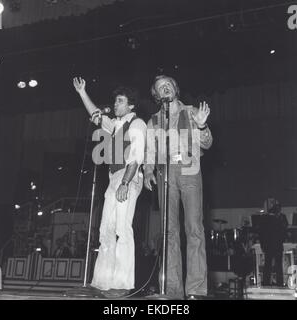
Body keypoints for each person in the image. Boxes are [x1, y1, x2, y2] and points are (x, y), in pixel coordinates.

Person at [73, 77, 146, 298]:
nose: (115, 105)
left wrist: (125, 182)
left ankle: (123, 284)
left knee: (122, 229)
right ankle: (102, 282)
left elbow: (137, 156)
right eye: (115, 101)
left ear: (131, 105)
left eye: (120, 101)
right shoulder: (115, 125)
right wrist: (82, 92)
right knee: (106, 230)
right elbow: (96, 114)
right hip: (114, 177)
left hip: (129, 177)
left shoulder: (137, 123)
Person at [144, 75, 213, 300]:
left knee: (194, 228)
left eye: (168, 84)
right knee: (169, 232)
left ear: (175, 88)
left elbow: (207, 143)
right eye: (160, 87)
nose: (165, 88)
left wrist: (202, 125)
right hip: (165, 173)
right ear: (156, 95)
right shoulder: (153, 121)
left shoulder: (192, 111)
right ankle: (172, 290)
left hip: (189, 169)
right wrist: (147, 170)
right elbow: (149, 152)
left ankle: (196, 290)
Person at [259, 201, 288, 287]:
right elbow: (284, 229)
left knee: (268, 265)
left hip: (269, 245)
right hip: (277, 244)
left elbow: (261, 233)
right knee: (278, 265)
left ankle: (266, 283)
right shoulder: (280, 218)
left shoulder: (266, 218)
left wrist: (262, 245)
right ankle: (279, 283)